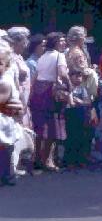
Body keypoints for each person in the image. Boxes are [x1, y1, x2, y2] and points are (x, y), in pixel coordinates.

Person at [30, 32, 70, 171]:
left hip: (39, 93)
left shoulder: (42, 57)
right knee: (52, 127)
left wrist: (31, 92)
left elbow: (35, 77)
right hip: (50, 93)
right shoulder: (60, 56)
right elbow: (63, 74)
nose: (64, 43)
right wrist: (69, 86)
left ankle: (37, 158)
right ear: (55, 43)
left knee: (40, 127)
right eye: (61, 41)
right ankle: (48, 160)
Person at [0, 41, 24, 186]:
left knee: (4, 149)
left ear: (6, 65)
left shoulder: (4, 83)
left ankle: (7, 175)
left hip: (3, 123)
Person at [62, 69, 95, 168]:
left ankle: (81, 159)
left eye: (80, 76)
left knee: (81, 137)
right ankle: (69, 161)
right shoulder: (67, 88)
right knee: (70, 138)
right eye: (76, 76)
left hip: (80, 115)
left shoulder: (82, 89)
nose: (79, 79)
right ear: (70, 77)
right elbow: (70, 104)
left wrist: (79, 101)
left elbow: (87, 102)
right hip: (70, 115)